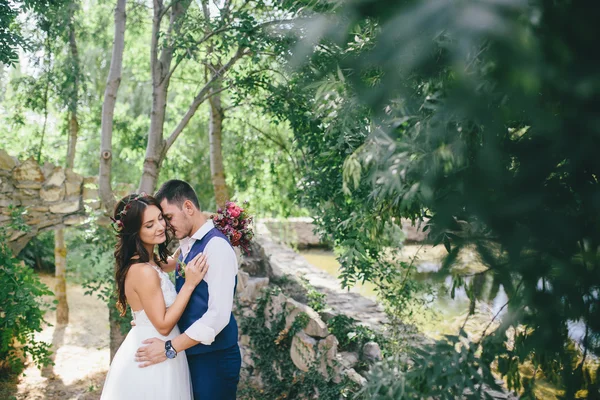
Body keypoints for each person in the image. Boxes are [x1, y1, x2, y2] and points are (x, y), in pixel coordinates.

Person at [135, 180, 241, 400]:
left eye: (168, 217)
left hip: (214, 360)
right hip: (190, 354)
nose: (165, 225)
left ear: (189, 208)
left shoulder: (216, 248)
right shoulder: (187, 244)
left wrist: (169, 347)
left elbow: (218, 316)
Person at [100, 193, 209, 400]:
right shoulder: (143, 271)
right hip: (154, 352)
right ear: (135, 232)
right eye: (149, 225)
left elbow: (176, 260)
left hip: (161, 347)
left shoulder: (150, 262)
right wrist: (190, 284)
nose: (160, 227)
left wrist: (201, 224)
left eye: (160, 218)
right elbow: (163, 325)